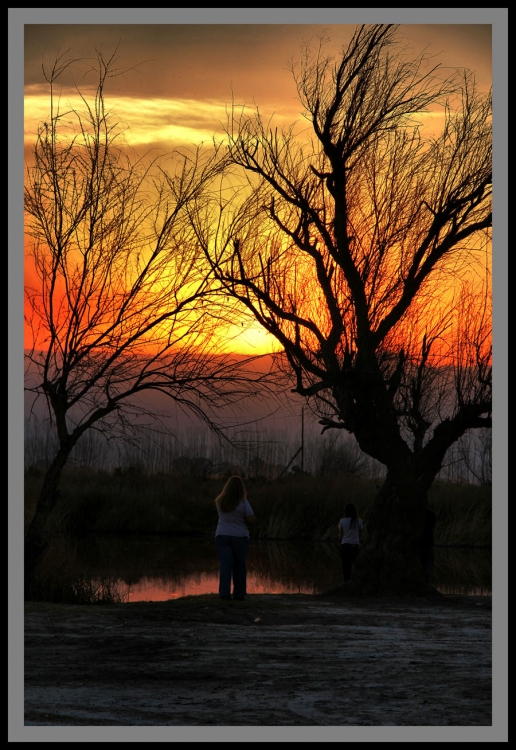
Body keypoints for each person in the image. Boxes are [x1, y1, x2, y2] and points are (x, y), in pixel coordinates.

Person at [214, 475, 255, 600]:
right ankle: (239, 593)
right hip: (240, 537)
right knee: (239, 566)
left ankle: (224, 593)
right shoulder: (243, 503)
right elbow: (250, 518)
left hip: (222, 535)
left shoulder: (220, 501)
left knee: (225, 565)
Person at [337, 503, 363, 583]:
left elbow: (341, 536)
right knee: (357, 566)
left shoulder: (342, 521)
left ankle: (346, 583)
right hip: (355, 545)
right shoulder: (359, 521)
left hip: (345, 545)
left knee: (346, 568)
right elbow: (360, 534)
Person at [419, 508, 437, 584]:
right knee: (427, 571)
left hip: (421, 545)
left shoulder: (418, 516)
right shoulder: (431, 515)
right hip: (428, 544)